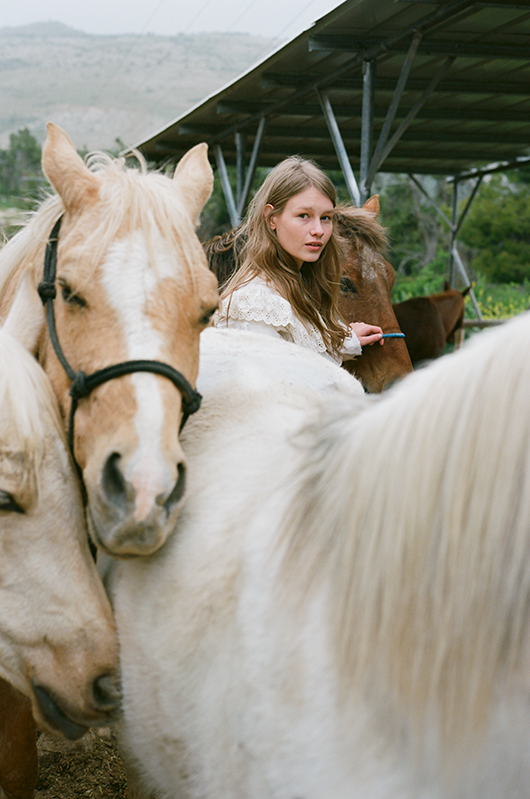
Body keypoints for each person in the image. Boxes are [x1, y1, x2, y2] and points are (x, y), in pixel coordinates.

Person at [213, 155, 384, 365]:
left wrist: (344, 342)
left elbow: (299, 357)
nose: (318, 231)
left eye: (325, 218)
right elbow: (275, 390)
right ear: (271, 218)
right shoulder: (254, 303)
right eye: (304, 215)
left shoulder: (297, 288)